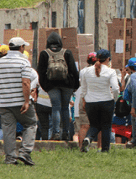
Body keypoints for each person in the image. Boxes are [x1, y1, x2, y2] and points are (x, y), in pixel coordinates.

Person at [0, 37, 37, 165]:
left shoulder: (1, 62)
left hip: (4, 102)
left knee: (8, 129)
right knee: (31, 124)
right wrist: (27, 101)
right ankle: (25, 152)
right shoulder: (24, 62)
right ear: (21, 47)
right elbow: (26, 83)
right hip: (20, 102)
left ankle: (10, 158)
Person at [36, 31, 79, 141]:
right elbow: (74, 70)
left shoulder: (44, 53)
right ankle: (66, 132)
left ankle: (56, 133)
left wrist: (46, 86)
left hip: (52, 85)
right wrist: (75, 85)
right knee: (65, 108)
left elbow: (40, 72)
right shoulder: (67, 53)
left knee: (56, 107)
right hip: (67, 85)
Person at [79, 49, 120, 153]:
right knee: (106, 126)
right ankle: (105, 149)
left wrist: (84, 100)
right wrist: (114, 98)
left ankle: (88, 138)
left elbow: (83, 88)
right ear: (108, 59)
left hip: (90, 102)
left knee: (94, 125)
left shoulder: (86, 71)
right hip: (106, 101)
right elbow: (115, 88)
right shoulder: (111, 71)